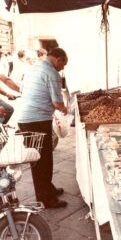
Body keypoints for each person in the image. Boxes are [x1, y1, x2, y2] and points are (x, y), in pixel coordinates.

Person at [18, 47, 68, 209]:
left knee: (41, 158)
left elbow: (22, 90)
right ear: (58, 59)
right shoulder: (52, 74)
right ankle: (47, 199)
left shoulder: (35, 67)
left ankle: (48, 189)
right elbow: (57, 103)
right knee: (42, 160)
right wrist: (65, 109)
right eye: (63, 64)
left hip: (27, 118)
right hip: (36, 120)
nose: (63, 68)